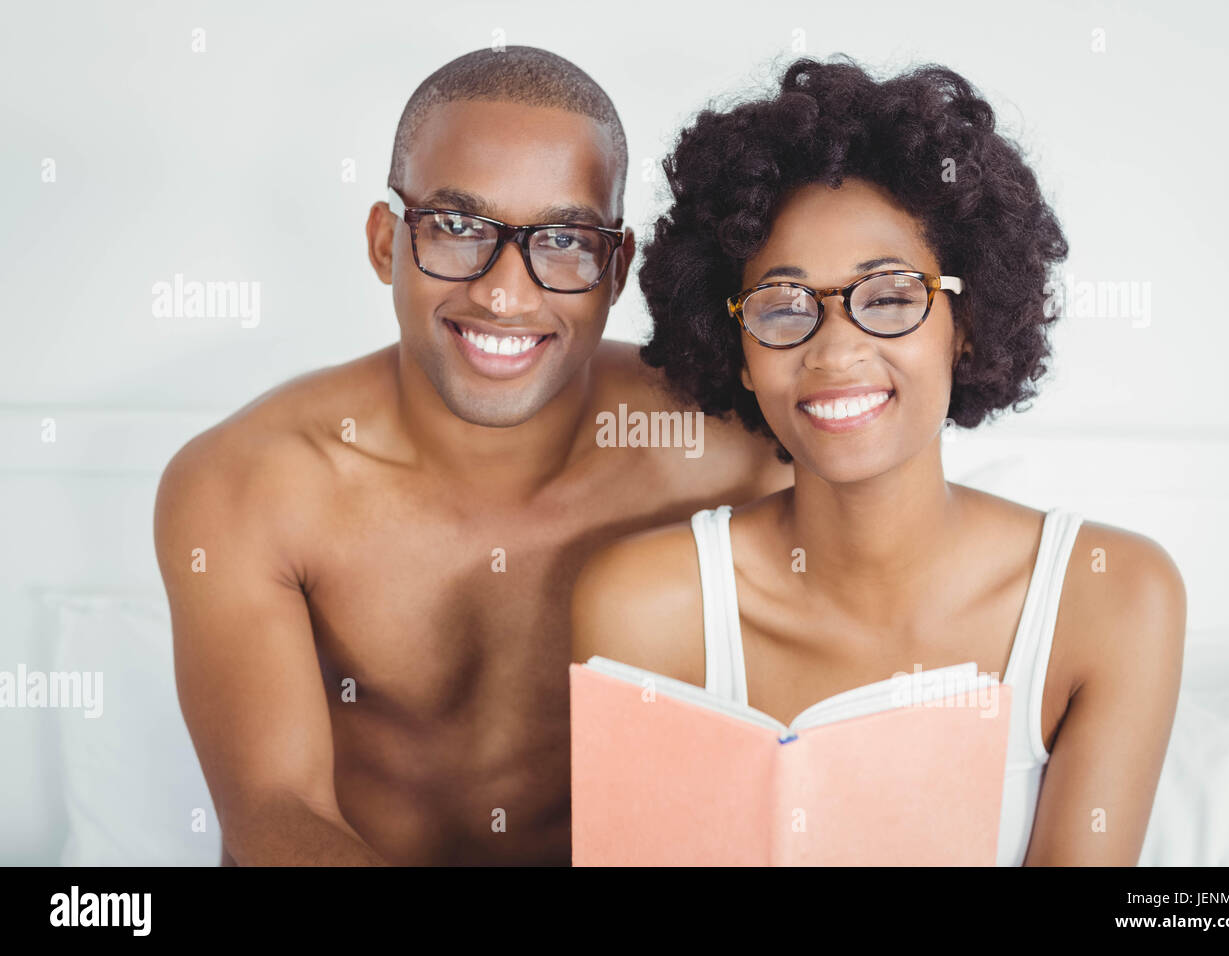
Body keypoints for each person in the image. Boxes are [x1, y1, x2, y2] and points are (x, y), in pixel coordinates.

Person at [153, 46, 791, 866]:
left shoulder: (734, 454)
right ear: (386, 242)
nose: (504, 293)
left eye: (563, 238)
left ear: (617, 267)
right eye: (457, 227)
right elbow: (276, 812)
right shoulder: (246, 483)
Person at [571, 56, 1186, 866]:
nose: (836, 352)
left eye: (891, 296)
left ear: (963, 324)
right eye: (784, 307)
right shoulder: (645, 607)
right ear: (739, 353)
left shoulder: (1114, 597)